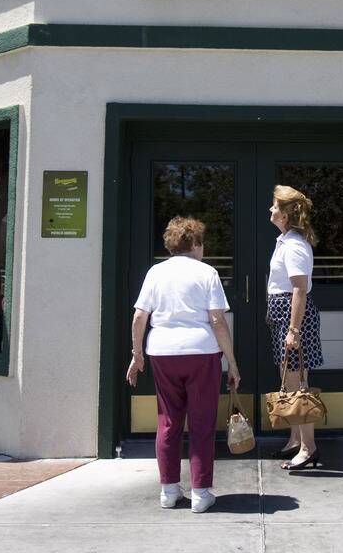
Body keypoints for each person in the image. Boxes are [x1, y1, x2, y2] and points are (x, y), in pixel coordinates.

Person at [126, 216, 240, 513]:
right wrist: (232, 361)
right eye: (202, 243)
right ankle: (201, 493)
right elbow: (217, 320)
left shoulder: (155, 272)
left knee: (168, 421)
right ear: (195, 244)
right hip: (202, 353)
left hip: (162, 353)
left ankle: (169, 490)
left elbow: (140, 316)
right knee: (201, 423)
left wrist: (137, 356)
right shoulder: (207, 273)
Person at [266, 185, 324, 471]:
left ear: (287, 213)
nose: (271, 210)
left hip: (293, 318)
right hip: (283, 315)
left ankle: (308, 447)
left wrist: (293, 330)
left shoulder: (295, 246)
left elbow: (299, 290)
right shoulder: (285, 241)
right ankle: (294, 438)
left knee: (298, 382)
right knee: (288, 378)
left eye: (275, 206)